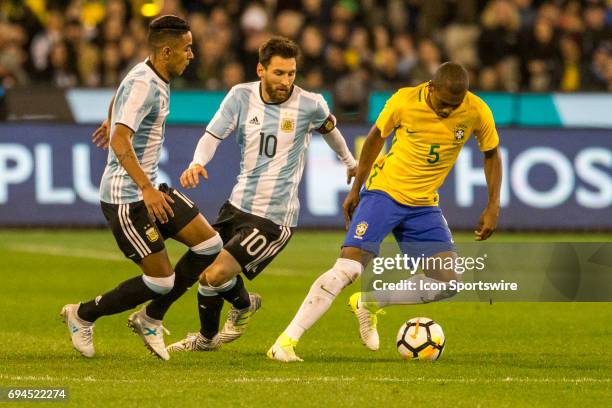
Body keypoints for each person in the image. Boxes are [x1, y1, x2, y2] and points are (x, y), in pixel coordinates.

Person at [268, 61, 502, 362]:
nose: (447, 111)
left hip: (424, 205)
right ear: (431, 88)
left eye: (454, 106)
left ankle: (370, 303)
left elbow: (492, 155)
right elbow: (376, 137)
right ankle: (285, 342)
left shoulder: (476, 110)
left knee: (448, 281)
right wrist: (356, 189)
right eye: (443, 104)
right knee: (348, 268)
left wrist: (493, 204)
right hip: (384, 194)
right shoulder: (404, 101)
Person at [164, 36, 357, 352]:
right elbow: (213, 135)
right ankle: (210, 336)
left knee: (214, 274)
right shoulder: (241, 96)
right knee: (205, 277)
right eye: (279, 73)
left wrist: (350, 162)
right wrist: (198, 162)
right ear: (261, 70)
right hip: (237, 205)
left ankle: (235, 312)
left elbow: (331, 132)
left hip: (274, 218)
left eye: (292, 73)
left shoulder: (311, 104)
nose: (287, 81)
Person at [61, 15, 224, 361]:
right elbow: (121, 141)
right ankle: (82, 314)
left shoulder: (149, 74)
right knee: (162, 281)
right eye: (186, 49)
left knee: (210, 244)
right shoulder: (144, 84)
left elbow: (120, 98)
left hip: (149, 188)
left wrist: (112, 117)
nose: (191, 55)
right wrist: (146, 187)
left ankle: (151, 316)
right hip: (127, 198)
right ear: (166, 51)